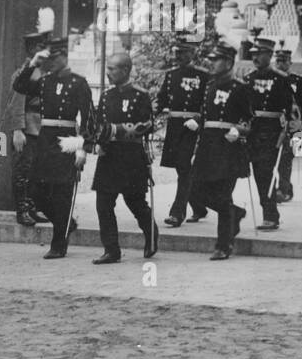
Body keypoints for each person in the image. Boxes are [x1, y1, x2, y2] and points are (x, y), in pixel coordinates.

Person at [11, 35, 92, 259]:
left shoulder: (78, 82)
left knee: (62, 193)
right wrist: (33, 64)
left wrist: (82, 148)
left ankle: (59, 244)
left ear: (65, 56)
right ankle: (65, 224)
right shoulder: (45, 81)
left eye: (56, 58)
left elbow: (88, 120)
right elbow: (19, 86)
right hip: (46, 138)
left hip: (67, 139)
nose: (52, 62)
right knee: (35, 190)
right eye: (50, 58)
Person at [87, 53, 159, 263]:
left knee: (135, 202)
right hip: (109, 156)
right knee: (103, 204)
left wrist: (115, 130)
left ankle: (151, 235)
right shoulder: (107, 95)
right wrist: (98, 140)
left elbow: (146, 125)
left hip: (131, 156)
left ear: (126, 70)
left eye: (112, 69)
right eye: (107, 68)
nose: (108, 73)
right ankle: (111, 249)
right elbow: (99, 124)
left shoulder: (140, 95)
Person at [185, 43, 252, 260]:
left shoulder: (240, 88)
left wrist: (238, 129)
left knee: (223, 195)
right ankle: (235, 213)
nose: (211, 63)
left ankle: (224, 245)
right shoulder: (209, 86)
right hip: (207, 147)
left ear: (229, 63)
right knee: (194, 190)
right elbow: (206, 114)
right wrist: (196, 121)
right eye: (211, 60)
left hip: (228, 148)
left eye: (216, 60)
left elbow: (250, 120)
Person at [153, 38, 208, 227]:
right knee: (182, 168)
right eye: (177, 52)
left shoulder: (203, 75)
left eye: (183, 53)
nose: (179, 56)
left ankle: (177, 212)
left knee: (184, 167)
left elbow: (209, 104)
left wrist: (199, 120)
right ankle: (199, 207)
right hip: (175, 127)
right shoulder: (171, 75)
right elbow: (161, 100)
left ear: (192, 53)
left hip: (193, 127)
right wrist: (150, 114)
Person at [244, 37, 293, 231]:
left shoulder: (281, 79)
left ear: (269, 55)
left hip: (272, 132)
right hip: (253, 132)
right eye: (253, 55)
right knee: (258, 174)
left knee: (265, 174)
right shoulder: (249, 78)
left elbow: (291, 111)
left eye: (260, 54)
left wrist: (286, 133)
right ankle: (269, 212)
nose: (255, 58)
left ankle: (270, 215)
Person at [7, 22, 52, 226]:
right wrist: (18, 129)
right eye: (41, 46)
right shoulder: (23, 73)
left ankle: (32, 207)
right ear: (33, 49)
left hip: (38, 126)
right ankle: (22, 210)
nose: (45, 50)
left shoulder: (39, 73)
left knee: (34, 171)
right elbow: (16, 102)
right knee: (22, 171)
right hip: (26, 127)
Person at [273, 47, 302, 202]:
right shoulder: (272, 78)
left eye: (284, 61)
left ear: (290, 63)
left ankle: (283, 188)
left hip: (294, 123)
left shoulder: (297, 80)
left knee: (287, 158)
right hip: (276, 124)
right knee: (276, 158)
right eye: (278, 61)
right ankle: (283, 188)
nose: (280, 64)